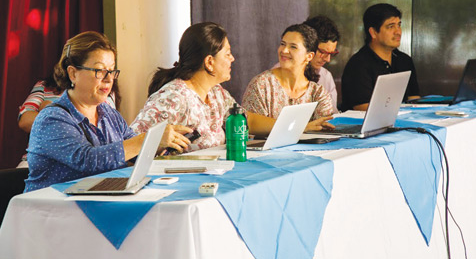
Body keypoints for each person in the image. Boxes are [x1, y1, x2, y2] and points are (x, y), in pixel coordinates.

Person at [24, 32, 192, 192]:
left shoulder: (108, 113)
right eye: (100, 70)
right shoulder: (52, 118)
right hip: (52, 211)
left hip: (95, 202)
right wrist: (146, 139)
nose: (109, 78)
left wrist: (160, 143)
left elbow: (133, 154)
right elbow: (88, 160)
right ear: (73, 73)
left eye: (112, 71)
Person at [131, 22, 332, 150]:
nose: (233, 59)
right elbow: (131, 143)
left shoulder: (217, 93)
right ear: (209, 62)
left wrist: (298, 127)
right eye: (227, 54)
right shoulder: (173, 98)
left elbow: (248, 121)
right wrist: (157, 141)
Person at [242, 24, 335, 119]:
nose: (284, 50)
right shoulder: (261, 85)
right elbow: (250, 126)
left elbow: (325, 129)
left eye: (293, 47)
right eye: (283, 44)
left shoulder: (318, 94)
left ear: (309, 56)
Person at [341, 3, 420, 111]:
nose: (398, 32)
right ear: (373, 32)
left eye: (399, 25)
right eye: (391, 26)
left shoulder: (404, 60)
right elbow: (363, 109)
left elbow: (414, 99)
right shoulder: (358, 64)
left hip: (405, 123)